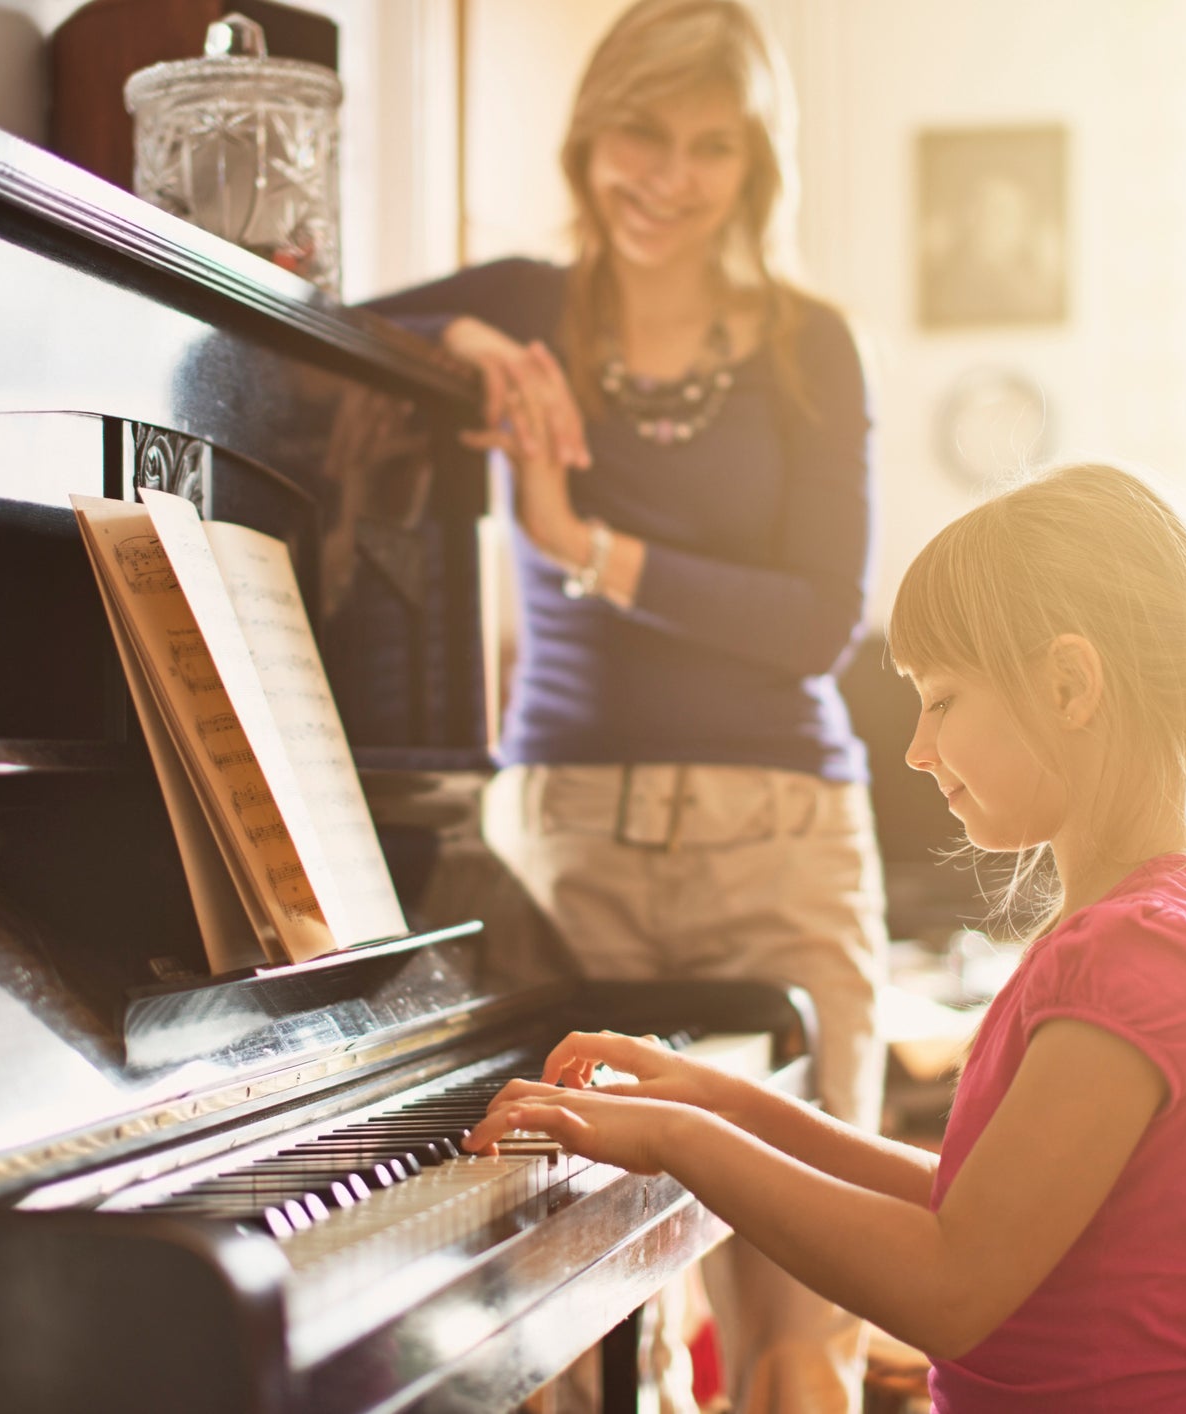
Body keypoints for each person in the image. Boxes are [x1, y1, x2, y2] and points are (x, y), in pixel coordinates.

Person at [468, 464, 1186, 1412]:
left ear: (1070, 684)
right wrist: (734, 1105)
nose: (916, 745)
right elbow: (972, 1202)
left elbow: (950, 1288)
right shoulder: (1165, 924)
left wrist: (681, 1138)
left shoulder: (1140, 952)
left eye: (941, 698)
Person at [368, 2, 884, 1408]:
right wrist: (459, 339)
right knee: (573, 1305)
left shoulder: (805, 346)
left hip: (777, 846)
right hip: (565, 852)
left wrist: (580, 543)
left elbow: (814, 622)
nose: (667, 174)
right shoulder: (537, 305)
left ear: (753, 164)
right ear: (590, 131)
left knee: (795, 1318)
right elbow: (313, 328)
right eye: (640, 134)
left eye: (710, 147)